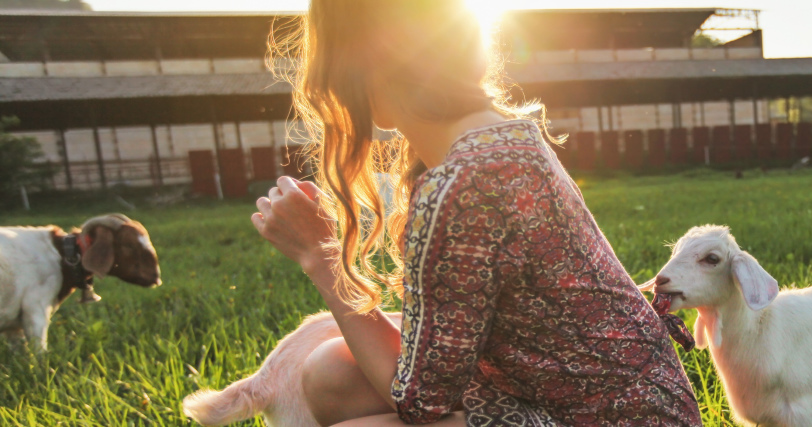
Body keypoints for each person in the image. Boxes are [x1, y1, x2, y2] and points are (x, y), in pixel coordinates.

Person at [249, 1, 702, 425]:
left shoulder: (459, 186)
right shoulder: (505, 137)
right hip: (645, 404)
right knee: (331, 372)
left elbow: (421, 404)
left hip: (606, 417)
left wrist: (322, 256)